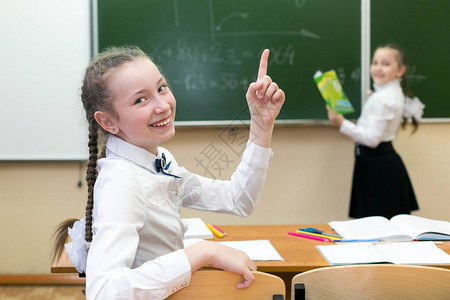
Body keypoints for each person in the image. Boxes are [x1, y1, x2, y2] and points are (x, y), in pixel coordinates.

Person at [51, 45, 284, 299]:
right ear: (108, 121)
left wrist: (261, 124)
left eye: (161, 88)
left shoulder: (159, 161)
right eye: (141, 100)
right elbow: (104, 292)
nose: (163, 105)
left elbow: (238, 200)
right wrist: (201, 253)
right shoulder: (122, 183)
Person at [326, 43, 424, 219]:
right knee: (384, 226)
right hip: (379, 163)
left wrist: (341, 123)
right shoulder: (389, 93)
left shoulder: (383, 98)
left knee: (377, 226)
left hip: (377, 168)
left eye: (386, 64)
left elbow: (372, 139)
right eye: (375, 62)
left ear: (400, 70)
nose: (378, 68)